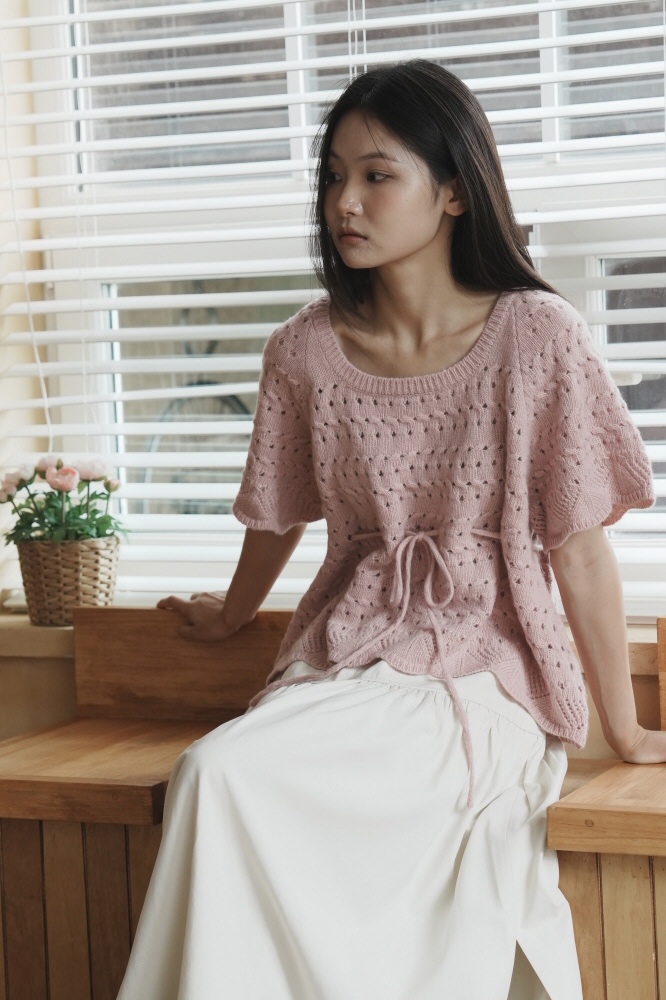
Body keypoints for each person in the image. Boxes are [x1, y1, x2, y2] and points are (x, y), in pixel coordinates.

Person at [116, 59, 660, 1000]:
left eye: (376, 175)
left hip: (486, 668)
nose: (344, 203)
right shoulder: (303, 349)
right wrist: (233, 614)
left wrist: (628, 728)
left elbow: (579, 550)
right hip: (342, 657)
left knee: (243, 778)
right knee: (215, 771)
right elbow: (276, 511)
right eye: (333, 176)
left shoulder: (538, 335)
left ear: (454, 190)